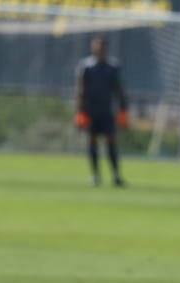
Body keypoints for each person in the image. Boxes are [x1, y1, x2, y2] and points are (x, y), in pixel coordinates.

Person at [75, 36, 129, 187]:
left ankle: (116, 175)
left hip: (107, 110)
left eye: (102, 46)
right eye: (96, 46)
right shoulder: (86, 66)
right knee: (92, 142)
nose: (99, 49)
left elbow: (119, 89)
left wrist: (124, 109)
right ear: (92, 47)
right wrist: (80, 111)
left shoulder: (113, 67)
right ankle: (95, 175)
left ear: (106, 48)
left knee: (111, 141)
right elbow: (80, 89)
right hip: (90, 109)